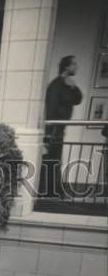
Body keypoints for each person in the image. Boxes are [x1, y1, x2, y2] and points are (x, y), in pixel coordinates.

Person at [43, 56, 83, 198]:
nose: (76, 67)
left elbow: (77, 100)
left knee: (55, 159)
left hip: (59, 128)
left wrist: (74, 86)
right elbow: (51, 109)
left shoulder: (66, 84)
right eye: (74, 64)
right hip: (54, 129)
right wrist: (50, 132)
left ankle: (52, 191)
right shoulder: (56, 85)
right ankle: (49, 192)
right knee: (51, 159)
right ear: (67, 66)